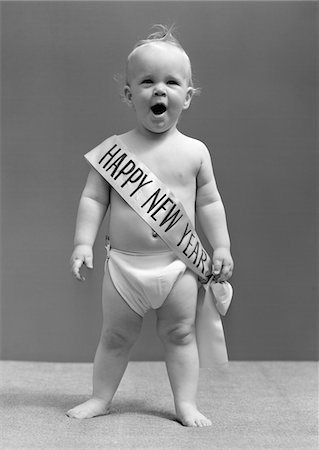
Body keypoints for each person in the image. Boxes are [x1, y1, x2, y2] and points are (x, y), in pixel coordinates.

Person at [66, 25, 233, 427]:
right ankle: (100, 398)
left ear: (187, 97)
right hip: (124, 267)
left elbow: (210, 202)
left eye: (171, 82)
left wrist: (222, 246)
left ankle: (185, 405)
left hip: (177, 267)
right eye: (147, 82)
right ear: (129, 95)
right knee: (115, 337)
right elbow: (93, 199)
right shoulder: (115, 151)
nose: (159, 90)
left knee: (181, 336)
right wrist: (82, 243)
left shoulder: (195, 152)